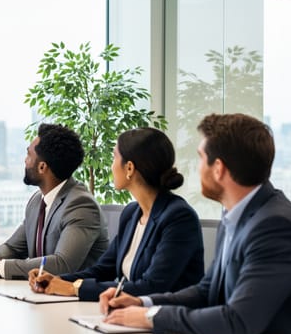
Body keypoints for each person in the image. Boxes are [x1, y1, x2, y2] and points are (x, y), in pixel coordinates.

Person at [103, 114, 291, 334]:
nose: (197, 168)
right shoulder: (235, 216)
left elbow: (238, 322)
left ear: (218, 169)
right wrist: (143, 303)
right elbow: (207, 292)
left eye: (200, 158)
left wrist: (151, 317)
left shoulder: (276, 226)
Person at [28, 127, 204, 300]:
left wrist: (74, 289)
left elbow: (152, 286)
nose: (111, 166)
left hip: (166, 315)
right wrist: (57, 280)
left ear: (129, 168)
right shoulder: (132, 214)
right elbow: (103, 269)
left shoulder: (178, 218)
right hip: (128, 312)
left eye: (114, 158)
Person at [0, 123, 108, 280]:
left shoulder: (81, 205)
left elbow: (62, 264)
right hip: (40, 291)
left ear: (42, 167)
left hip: (75, 293)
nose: (25, 161)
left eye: (29, 155)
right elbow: (14, 247)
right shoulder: (37, 201)